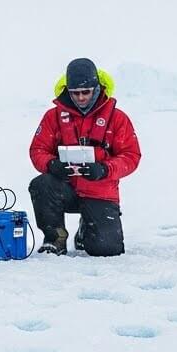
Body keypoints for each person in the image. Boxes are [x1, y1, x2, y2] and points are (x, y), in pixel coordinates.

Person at [28, 58, 141, 256]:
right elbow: (38, 150)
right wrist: (52, 165)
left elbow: (131, 156)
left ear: (96, 88)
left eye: (85, 92)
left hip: (100, 190)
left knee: (106, 250)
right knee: (41, 184)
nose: (80, 97)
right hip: (65, 187)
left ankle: (85, 231)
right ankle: (55, 238)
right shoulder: (52, 117)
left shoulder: (117, 118)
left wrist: (105, 169)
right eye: (75, 93)